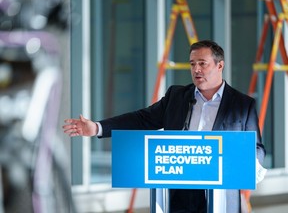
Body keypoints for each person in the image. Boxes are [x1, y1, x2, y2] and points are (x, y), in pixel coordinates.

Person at [63, 40, 266, 213]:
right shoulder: (176, 97)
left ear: (219, 66)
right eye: (192, 64)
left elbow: (256, 148)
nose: (196, 69)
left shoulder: (242, 104)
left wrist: (248, 167)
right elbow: (142, 119)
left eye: (202, 63)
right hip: (179, 196)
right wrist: (97, 127)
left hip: (222, 198)